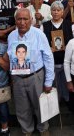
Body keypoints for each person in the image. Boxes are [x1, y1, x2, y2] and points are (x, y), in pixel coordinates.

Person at [7, 8, 54, 136]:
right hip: (17, 77)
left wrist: (49, 80)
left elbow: (48, 57)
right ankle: (27, 130)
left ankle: (43, 128)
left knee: (40, 106)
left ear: (31, 20)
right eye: (19, 19)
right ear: (15, 21)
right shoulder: (11, 36)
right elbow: (11, 57)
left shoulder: (39, 34)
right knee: (22, 108)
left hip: (36, 77)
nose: (22, 22)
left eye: (25, 19)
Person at [43, 1, 74, 102]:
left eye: (58, 10)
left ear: (62, 12)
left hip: (66, 61)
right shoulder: (45, 26)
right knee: (54, 84)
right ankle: (56, 102)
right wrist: (48, 49)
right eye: (53, 10)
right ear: (50, 12)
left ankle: (68, 101)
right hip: (51, 61)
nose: (56, 12)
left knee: (66, 83)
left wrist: (68, 48)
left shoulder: (69, 25)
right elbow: (42, 44)